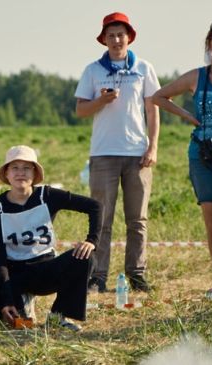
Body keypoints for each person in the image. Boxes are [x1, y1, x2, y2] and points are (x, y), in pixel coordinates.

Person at [151, 19, 212, 300]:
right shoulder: (197, 76)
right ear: (208, 45)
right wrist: (189, 117)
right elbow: (159, 97)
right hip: (202, 154)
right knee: (210, 221)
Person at [0, 145, 100, 331]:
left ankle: (58, 316)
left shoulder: (47, 195)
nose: (21, 173)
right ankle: (21, 304)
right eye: (15, 168)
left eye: (27, 168)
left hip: (46, 269)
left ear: (35, 173)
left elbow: (95, 206)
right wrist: (7, 299)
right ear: (7, 173)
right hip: (14, 274)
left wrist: (92, 241)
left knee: (85, 257)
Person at [74, 12, 160, 293]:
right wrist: (101, 100)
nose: (116, 39)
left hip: (137, 153)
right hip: (103, 154)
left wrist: (153, 146)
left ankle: (136, 274)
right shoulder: (92, 71)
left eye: (120, 34)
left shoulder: (144, 68)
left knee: (137, 219)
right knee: (103, 219)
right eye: (110, 35)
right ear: (104, 39)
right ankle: (97, 276)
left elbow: (153, 108)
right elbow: (80, 110)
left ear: (129, 36)